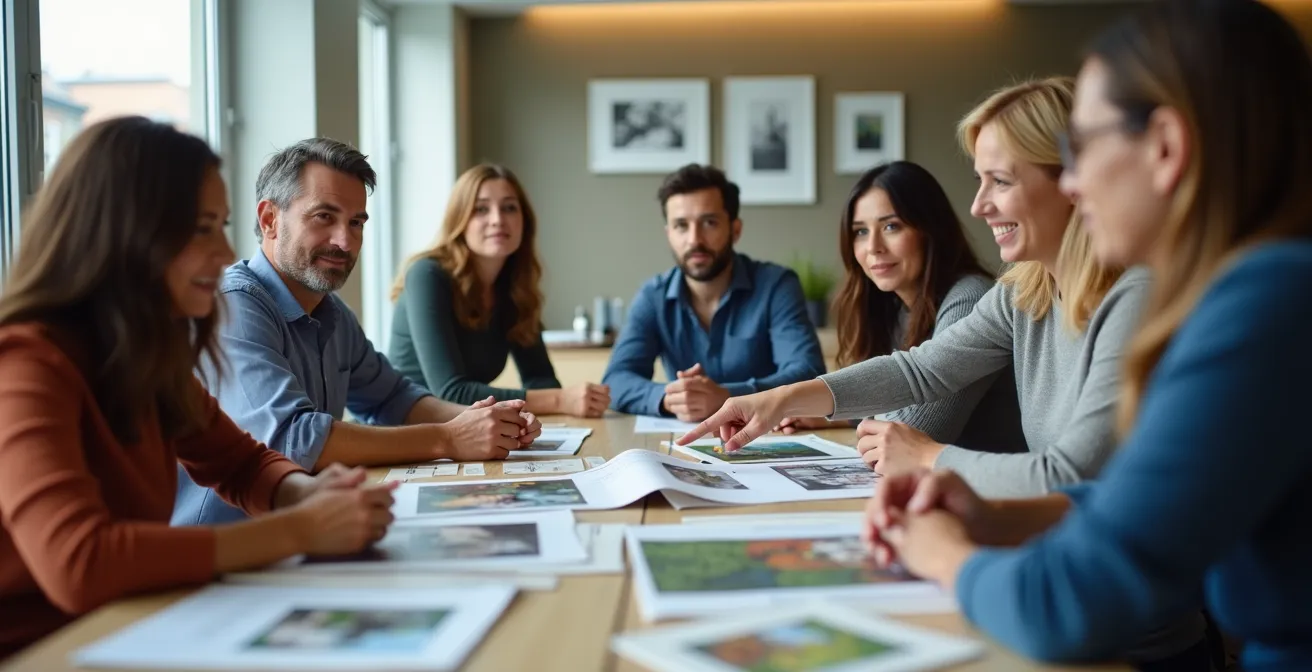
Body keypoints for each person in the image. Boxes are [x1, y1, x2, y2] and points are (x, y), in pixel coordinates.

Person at [864, 1, 1312, 668]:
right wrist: (1002, 515)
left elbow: (1063, 606)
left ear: (1164, 147)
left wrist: (941, 553)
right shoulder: (1259, 289)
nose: (1071, 183)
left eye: (1080, 149)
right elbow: (1150, 496)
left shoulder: (1267, 303)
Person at [0, 118, 394, 658]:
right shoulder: (25, 363)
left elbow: (240, 464)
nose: (225, 249)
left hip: (128, 629)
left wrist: (310, 494)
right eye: (203, 227)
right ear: (126, 231)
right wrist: (301, 531)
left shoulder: (147, 353)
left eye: (223, 225)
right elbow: (80, 562)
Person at [173, 140, 540, 527]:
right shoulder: (234, 305)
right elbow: (295, 439)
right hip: (221, 553)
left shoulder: (332, 312)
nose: (345, 242)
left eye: (356, 222)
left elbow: (394, 398)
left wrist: (484, 422)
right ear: (269, 221)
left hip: (302, 534)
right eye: (323, 217)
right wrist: (448, 438)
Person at [777, 161, 1025, 455]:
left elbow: (914, 429)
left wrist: (851, 410)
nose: (873, 247)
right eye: (860, 232)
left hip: (996, 491)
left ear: (930, 230)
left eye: (891, 226)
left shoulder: (971, 297)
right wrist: (837, 415)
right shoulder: (893, 308)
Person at [602, 164, 825, 421]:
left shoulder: (777, 285)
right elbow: (616, 380)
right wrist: (673, 397)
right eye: (681, 225)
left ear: (735, 229)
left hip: (768, 436)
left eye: (709, 222)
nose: (694, 239)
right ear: (669, 234)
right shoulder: (653, 296)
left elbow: (808, 373)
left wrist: (728, 396)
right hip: (683, 443)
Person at [388, 164, 610, 417]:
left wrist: (565, 400)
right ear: (459, 219)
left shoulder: (514, 289)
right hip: (403, 429)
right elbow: (450, 393)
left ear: (524, 222)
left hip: (464, 430)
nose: (497, 219)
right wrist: (560, 400)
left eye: (509, 208)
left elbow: (540, 379)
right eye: (481, 209)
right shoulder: (427, 274)